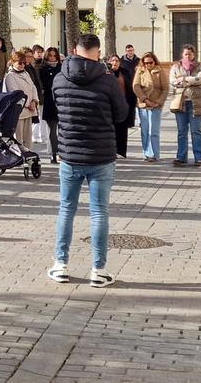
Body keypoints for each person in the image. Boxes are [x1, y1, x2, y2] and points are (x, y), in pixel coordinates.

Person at [49, 34, 127, 288]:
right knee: (99, 212)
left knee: (66, 209)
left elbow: (57, 109)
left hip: (70, 154)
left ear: (74, 49)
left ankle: (60, 265)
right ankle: (98, 270)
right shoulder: (108, 80)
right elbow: (121, 114)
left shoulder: (59, 78)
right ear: (98, 52)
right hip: (101, 154)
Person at [168, 45, 201, 167]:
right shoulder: (176, 67)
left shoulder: (200, 66)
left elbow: (200, 79)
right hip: (180, 103)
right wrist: (190, 80)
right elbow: (173, 81)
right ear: (182, 55)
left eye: (190, 54)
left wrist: (183, 79)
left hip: (195, 103)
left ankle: (199, 157)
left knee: (196, 131)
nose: (187, 56)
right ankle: (181, 157)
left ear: (194, 54)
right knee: (182, 131)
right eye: (185, 54)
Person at [132, 52, 167, 162]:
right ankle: (146, 152)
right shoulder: (140, 71)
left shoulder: (160, 71)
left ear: (154, 61)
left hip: (156, 104)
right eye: (146, 63)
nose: (148, 65)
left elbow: (165, 88)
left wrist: (159, 102)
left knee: (153, 131)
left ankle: (153, 154)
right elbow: (136, 86)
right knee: (145, 131)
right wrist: (144, 99)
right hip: (143, 104)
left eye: (150, 62)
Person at [2, 50, 40, 150]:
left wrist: (34, 101)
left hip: (29, 110)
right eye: (20, 63)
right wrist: (28, 104)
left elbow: (33, 87)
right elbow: (15, 93)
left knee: (28, 138)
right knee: (18, 138)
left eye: (24, 63)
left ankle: (28, 155)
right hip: (19, 111)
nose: (22, 65)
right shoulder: (10, 76)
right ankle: (19, 155)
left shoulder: (26, 73)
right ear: (13, 62)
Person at [106, 54, 135, 158]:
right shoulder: (106, 73)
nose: (115, 62)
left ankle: (121, 152)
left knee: (122, 129)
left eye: (117, 61)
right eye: (112, 60)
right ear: (109, 62)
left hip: (123, 105)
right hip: (109, 106)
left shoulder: (125, 72)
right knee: (111, 129)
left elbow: (130, 89)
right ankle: (111, 151)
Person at [39, 48, 62, 157]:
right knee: (52, 129)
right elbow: (46, 84)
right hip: (49, 101)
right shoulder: (43, 69)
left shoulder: (61, 68)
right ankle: (54, 152)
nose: (52, 58)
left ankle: (61, 152)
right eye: (50, 56)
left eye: (54, 56)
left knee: (62, 129)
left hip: (61, 101)